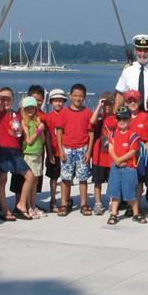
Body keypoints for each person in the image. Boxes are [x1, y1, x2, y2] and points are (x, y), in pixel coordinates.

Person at [0, 87, 35, 221]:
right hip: (2, 150)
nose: (5, 101)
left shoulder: (16, 114)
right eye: (3, 99)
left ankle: (21, 203)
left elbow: (20, 131)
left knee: (30, 176)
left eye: (8, 99)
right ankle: (5, 210)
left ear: (13, 100)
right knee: (2, 180)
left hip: (15, 152)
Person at [56, 83, 93, 216]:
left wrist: (89, 151)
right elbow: (59, 131)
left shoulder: (88, 112)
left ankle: (84, 203)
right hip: (67, 149)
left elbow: (91, 133)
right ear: (70, 96)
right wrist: (60, 150)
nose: (78, 99)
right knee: (66, 179)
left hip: (82, 149)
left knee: (83, 178)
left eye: (81, 96)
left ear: (84, 97)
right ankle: (64, 203)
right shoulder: (64, 112)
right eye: (75, 95)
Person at [105, 106, 145, 225]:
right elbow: (110, 149)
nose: (122, 121)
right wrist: (116, 160)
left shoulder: (133, 135)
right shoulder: (113, 134)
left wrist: (120, 159)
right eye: (119, 119)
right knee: (115, 192)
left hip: (129, 168)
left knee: (131, 193)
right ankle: (113, 213)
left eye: (125, 119)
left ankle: (136, 213)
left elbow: (133, 151)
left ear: (129, 120)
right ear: (116, 120)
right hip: (115, 168)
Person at [89, 93, 117, 216]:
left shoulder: (117, 117)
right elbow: (91, 121)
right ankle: (98, 203)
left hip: (111, 154)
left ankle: (112, 202)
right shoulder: (99, 117)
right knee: (98, 181)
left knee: (112, 181)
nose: (107, 107)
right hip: (98, 155)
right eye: (105, 104)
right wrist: (99, 106)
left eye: (110, 104)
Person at [20, 95, 46, 219]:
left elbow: (44, 140)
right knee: (30, 181)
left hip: (38, 154)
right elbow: (29, 141)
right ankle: (27, 205)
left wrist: (40, 128)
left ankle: (32, 205)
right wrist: (38, 131)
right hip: (29, 154)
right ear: (23, 109)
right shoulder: (24, 122)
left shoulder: (36, 121)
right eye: (27, 108)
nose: (30, 110)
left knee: (35, 182)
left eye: (32, 108)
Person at [44, 88, 67, 212]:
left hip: (66, 151)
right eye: (55, 101)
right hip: (54, 151)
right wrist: (50, 152)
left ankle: (65, 199)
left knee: (66, 177)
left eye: (60, 101)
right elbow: (48, 136)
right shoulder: (49, 117)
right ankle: (53, 200)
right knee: (53, 178)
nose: (58, 103)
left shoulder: (67, 114)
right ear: (51, 102)